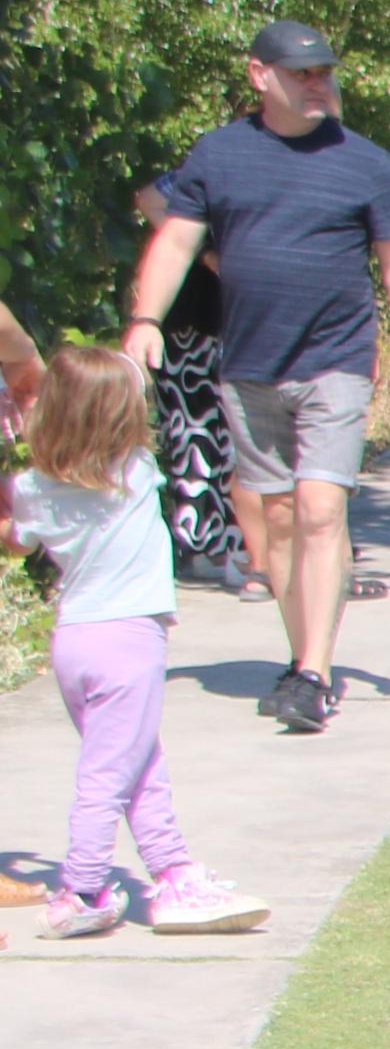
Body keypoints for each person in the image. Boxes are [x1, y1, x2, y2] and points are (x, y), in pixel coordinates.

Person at [124, 19, 390, 738]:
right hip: (249, 365)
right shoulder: (219, 155)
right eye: (301, 74)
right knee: (277, 523)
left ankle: (315, 673)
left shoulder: (362, 162)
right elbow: (175, 240)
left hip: (335, 360)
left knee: (322, 508)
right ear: (259, 75)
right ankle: (303, 657)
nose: (318, 83)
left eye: (324, 71)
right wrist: (145, 319)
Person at [0, 339, 271, 938]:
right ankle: (85, 887)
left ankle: (172, 872)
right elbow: (124, 385)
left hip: (75, 641)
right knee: (109, 773)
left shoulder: (33, 488)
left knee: (135, 764)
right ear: (125, 422)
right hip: (130, 642)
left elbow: (16, 540)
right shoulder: (134, 471)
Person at [130, 182, 251, 591]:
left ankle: (238, 544)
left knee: (235, 436)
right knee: (195, 433)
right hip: (190, 324)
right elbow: (148, 199)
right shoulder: (207, 168)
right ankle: (202, 545)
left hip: (238, 325)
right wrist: (204, 254)